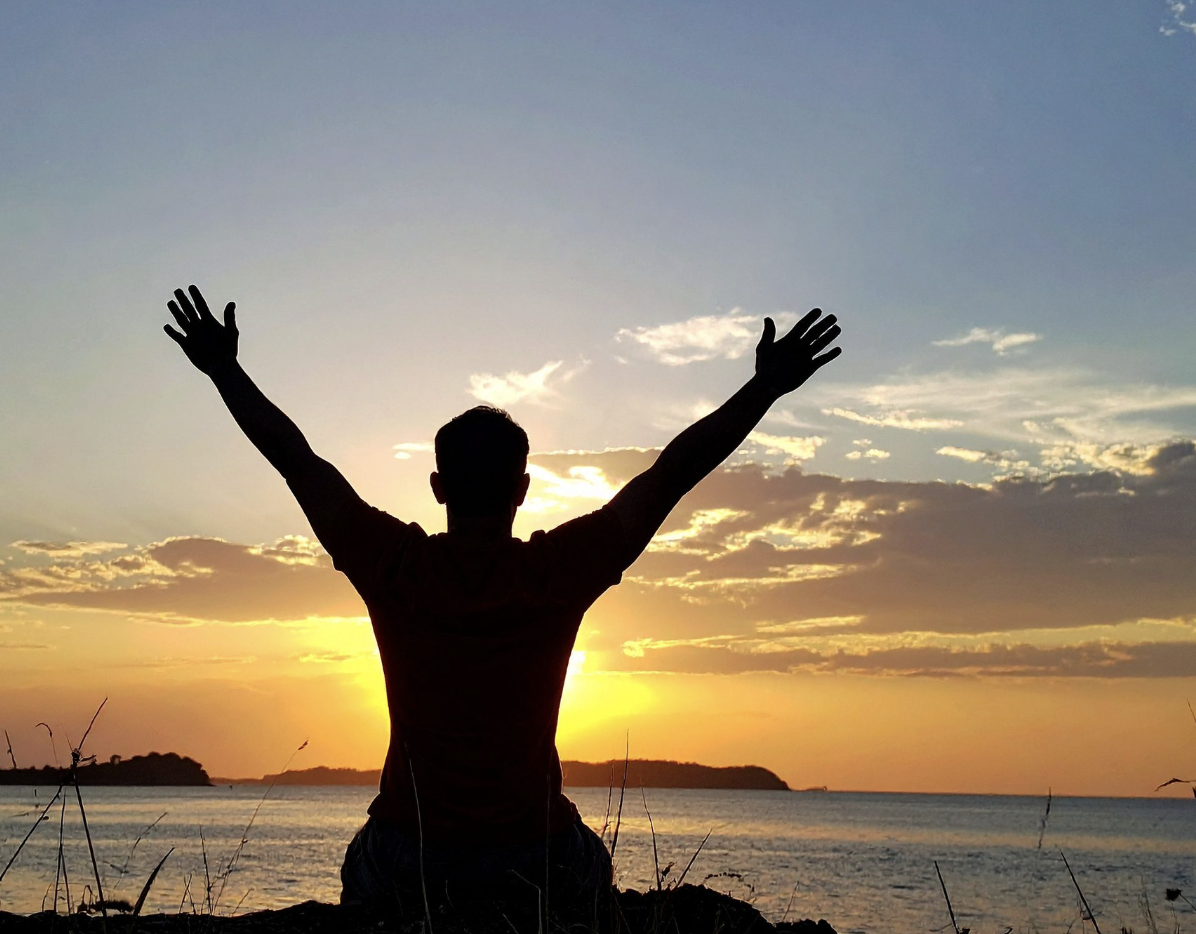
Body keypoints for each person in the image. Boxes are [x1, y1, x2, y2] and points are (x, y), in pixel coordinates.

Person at [162, 285, 841, 923]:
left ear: (438, 487)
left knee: (364, 858)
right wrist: (764, 387)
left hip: (411, 864)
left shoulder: (395, 565)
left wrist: (224, 370)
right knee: (589, 865)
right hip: (535, 863)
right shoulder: (558, 571)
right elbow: (671, 474)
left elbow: (297, 460)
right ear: (521, 489)